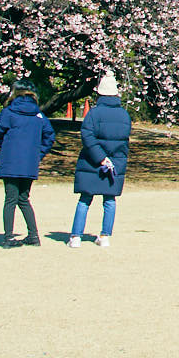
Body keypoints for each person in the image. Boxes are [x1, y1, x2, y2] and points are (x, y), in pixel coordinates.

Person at [0, 79, 56, 247]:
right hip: (29, 163)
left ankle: (8, 238)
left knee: (10, 200)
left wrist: (6, 147)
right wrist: (38, 154)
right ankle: (33, 236)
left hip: (10, 161)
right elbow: (49, 136)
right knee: (24, 199)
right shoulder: (39, 115)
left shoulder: (9, 112)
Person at [72, 72, 130, 246]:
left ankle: (76, 236)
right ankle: (105, 236)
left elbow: (87, 136)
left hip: (92, 161)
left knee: (84, 200)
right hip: (115, 163)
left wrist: (100, 157)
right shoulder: (124, 115)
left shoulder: (94, 114)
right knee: (109, 200)